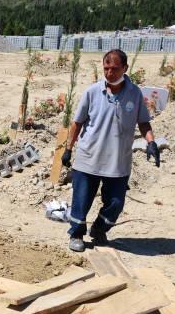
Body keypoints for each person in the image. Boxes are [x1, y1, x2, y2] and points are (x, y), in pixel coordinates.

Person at [62, 49, 160, 252]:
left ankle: (99, 229)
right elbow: (77, 123)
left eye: (114, 69)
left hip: (118, 161)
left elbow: (143, 123)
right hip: (89, 157)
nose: (109, 73)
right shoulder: (92, 92)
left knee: (115, 202)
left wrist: (151, 142)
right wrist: (68, 149)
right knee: (81, 199)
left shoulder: (135, 94)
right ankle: (77, 233)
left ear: (125, 68)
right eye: (106, 68)